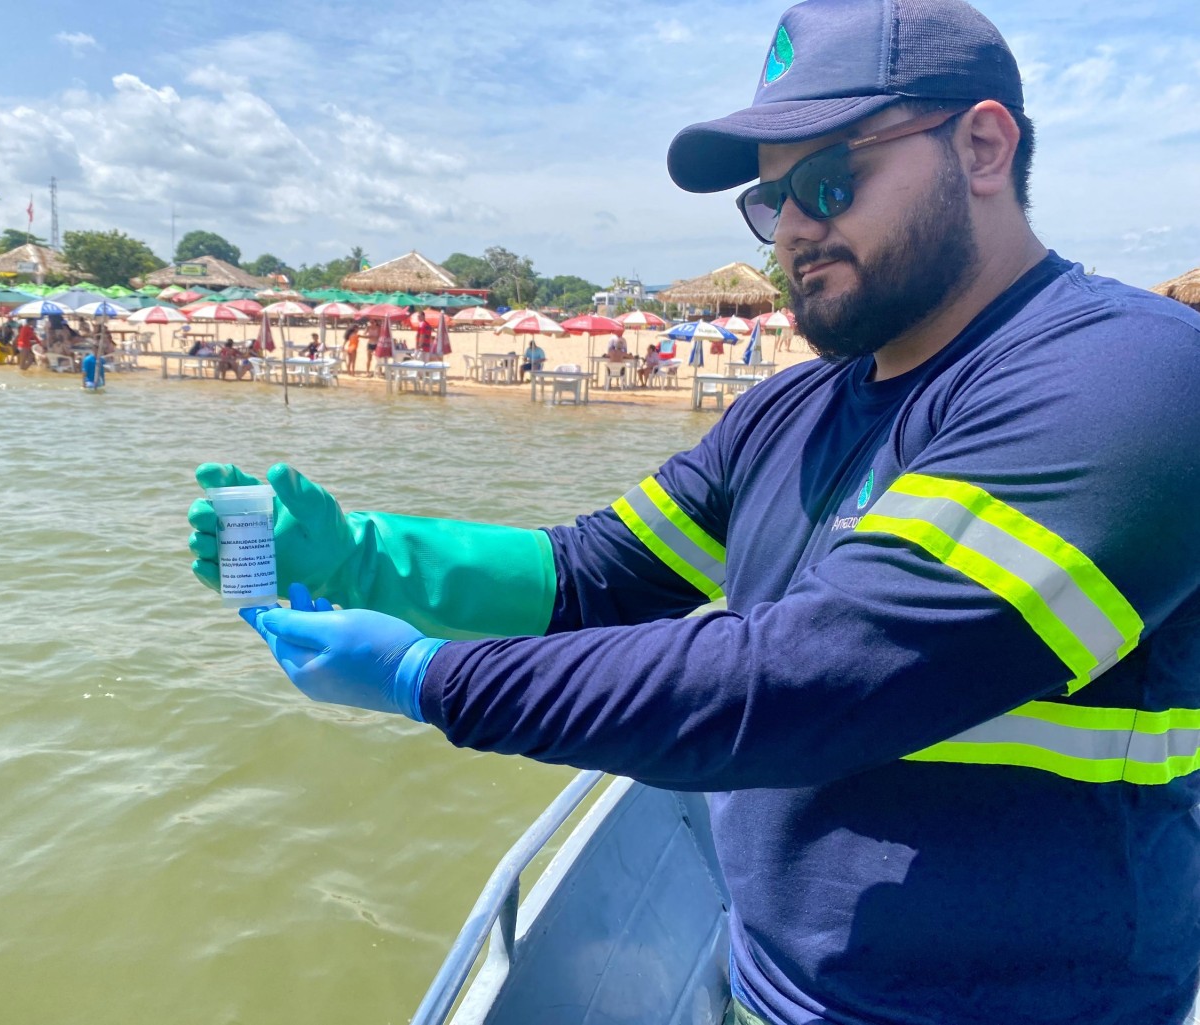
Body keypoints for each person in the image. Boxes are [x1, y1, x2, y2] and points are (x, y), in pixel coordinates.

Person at [187, 2, 1200, 1024]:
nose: (794, 229)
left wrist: (422, 675)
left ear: (981, 144)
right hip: (765, 988)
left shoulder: (1130, 380)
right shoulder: (787, 412)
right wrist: (367, 556)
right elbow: (591, 574)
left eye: (828, 182)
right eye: (773, 202)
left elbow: (809, 679)